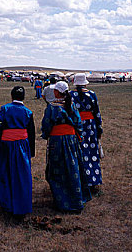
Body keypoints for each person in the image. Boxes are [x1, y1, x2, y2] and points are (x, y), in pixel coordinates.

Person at [41, 81, 91, 212]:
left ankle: (63, 201)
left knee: (58, 169)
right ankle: (76, 199)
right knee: (73, 167)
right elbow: (78, 123)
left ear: (56, 92)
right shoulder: (72, 106)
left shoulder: (52, 107)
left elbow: (46, 124)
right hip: (71, 140)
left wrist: (46, 135)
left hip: (57, 141)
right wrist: (78, 135)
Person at [0, 86, 35, 220]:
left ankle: (7, 204)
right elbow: (31, 133)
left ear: (11, 96)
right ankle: (22, 205)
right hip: (22, 146)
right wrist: (31, 152)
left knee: (6, 172)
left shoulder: (5, 109)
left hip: (6, 145)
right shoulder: (28, 112)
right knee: (22, 174)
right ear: (24, 97)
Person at [70, 73, 103, 194]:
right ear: (85, 82)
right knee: (91, 152)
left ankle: (80, 181)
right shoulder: (92, 94)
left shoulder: (70, 95)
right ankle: (93, 180)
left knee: (79, 152)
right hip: (90, 127)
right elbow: (97, 113)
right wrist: (99, 129)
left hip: (77, 126)